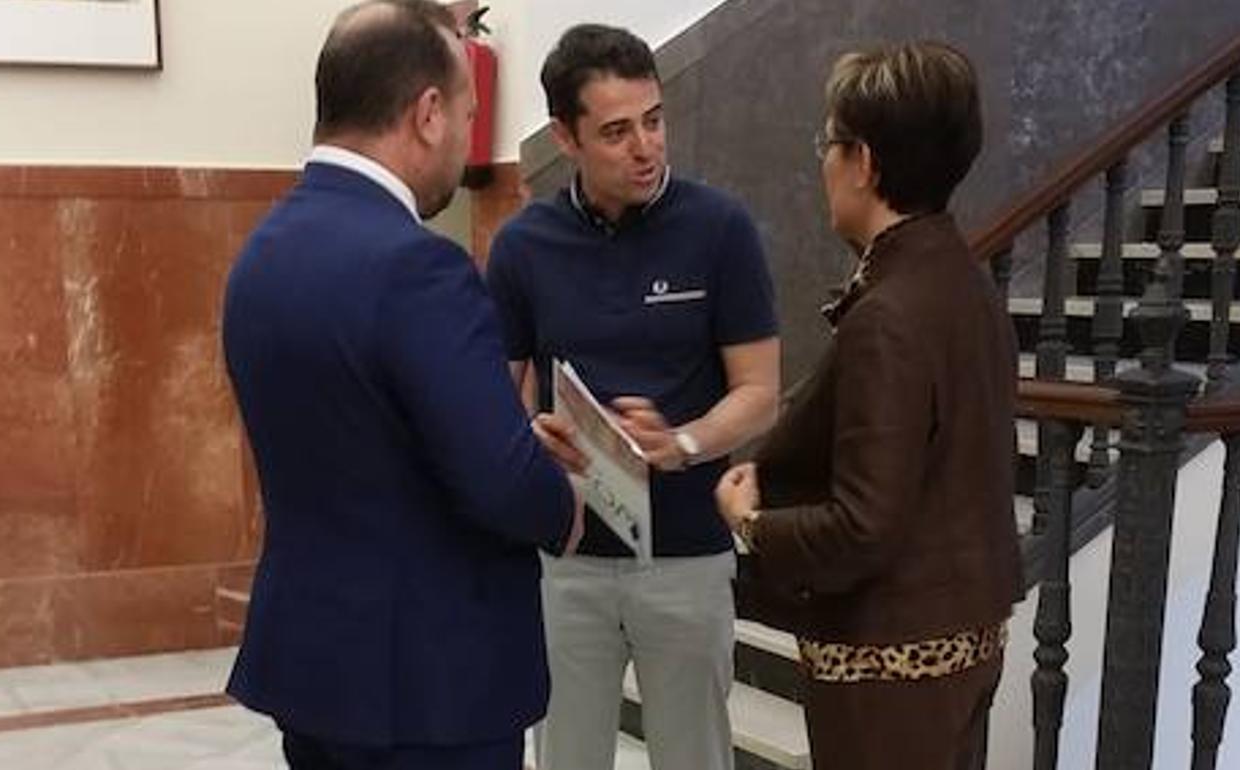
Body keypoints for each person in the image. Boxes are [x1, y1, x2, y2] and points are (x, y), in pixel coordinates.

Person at [221, 2, 582, 768]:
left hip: (316, 669)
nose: (465, 141)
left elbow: (363, 436)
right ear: (427, 113)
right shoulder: (418, 266)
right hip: (429, 685)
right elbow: (498, 483)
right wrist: (561, 500)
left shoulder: (263, 253)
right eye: (468, 117)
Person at [715, 41, 1024, 770]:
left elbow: (863, 525)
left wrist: (751, 522)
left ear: (865, 163)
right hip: (961, 636)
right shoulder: (962, 280)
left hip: (892, 660)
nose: (823, 164)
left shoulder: (889, 314)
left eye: (829, 144)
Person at [485, 23, 781, 770]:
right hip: (568, 559)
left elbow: (759, 393)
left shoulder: (721, 230)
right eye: (616, 132)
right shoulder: (523, 246)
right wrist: (533, 442)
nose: (645, 147)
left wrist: (681, 443)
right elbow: (494, 400)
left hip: (687, 558)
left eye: (653, 120)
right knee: (567, 758)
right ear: (566, 137)